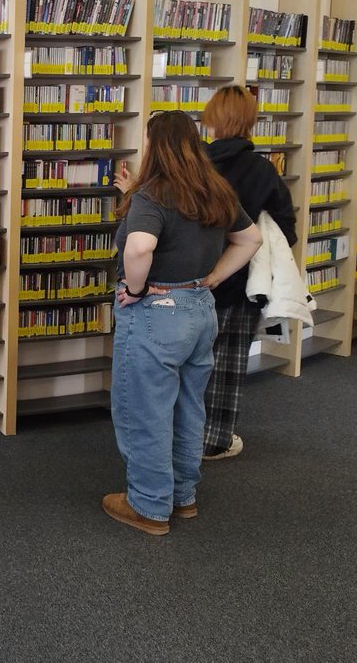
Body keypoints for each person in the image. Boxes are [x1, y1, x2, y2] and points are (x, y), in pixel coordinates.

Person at [104, 110, 262, 536]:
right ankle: (182, 497)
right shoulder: (213, 189)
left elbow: (139, 249)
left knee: (145, 412)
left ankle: (149, 507)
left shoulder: (155, 194)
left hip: (157, 314)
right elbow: (251, 239)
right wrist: (211, 277)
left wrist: (136, 290)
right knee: (188, 407)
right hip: (199, 309)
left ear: (155, 145)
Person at [198, 86, 298, 460]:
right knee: (228, 363)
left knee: (187, 362)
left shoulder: (194, 164)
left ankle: (180, 434)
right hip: (240, 281)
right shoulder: (261, 169)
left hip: (191, 280)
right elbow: (285, 229)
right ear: (250, 122)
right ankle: (214, 440)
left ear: (211, 119)